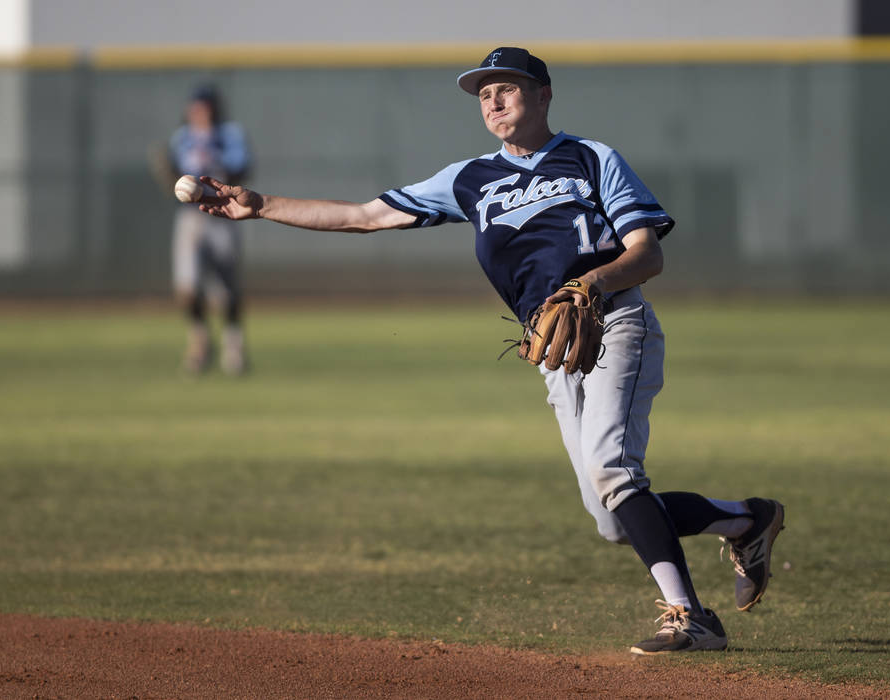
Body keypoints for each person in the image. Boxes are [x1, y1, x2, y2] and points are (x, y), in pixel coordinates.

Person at [195, 47, 785, 654]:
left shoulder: (591, 158)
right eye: (484, 94)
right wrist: (260, 206)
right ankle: (746, 520)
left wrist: (591, 282)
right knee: (612, 518)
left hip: (614, 320)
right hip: (553, 350)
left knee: (613, 470)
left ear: (544, 94)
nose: (495, 101)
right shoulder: (469, 180)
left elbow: (648, 253)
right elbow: (365, 215)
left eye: (508, 87)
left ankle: (690, 618)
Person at [165, 85, 252, 374]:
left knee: (226, 291)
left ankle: (233, 345)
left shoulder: (229, 135)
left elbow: (242, 170)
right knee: (187, 288)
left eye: (204, 106)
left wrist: (213, 154)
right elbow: (173, 177)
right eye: (196, 107)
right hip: (191, 218)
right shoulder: (182, 138)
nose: (199, 112)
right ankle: (200, 341)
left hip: (224, 215)